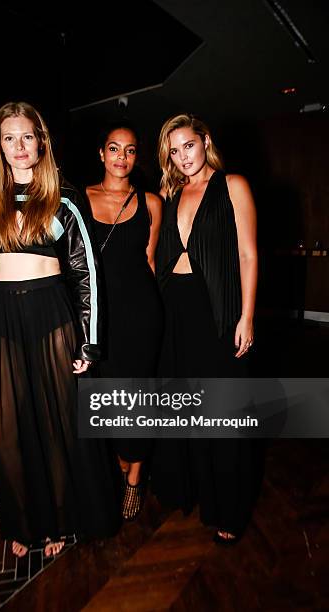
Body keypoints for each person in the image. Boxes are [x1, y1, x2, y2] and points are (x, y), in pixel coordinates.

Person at [0, 101, 120, 558]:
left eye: (27, 136)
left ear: (41, 142)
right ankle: (23, 522)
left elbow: (87, 274)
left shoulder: (64, 202)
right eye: (9, 138)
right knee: (6, 431)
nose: (19, 146)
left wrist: (90, 338)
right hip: (0, 321)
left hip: (53, 317)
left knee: (55, 426)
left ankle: (60, 522)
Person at [152, 113, 258, 543]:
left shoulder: (233, 186)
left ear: (205, 140)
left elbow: (249, 256)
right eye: (173, 152)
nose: (182, 157)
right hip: (173, 310)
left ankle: (229, 510)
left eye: (188, 146)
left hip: (216, 310)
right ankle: (194, 492)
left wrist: (246, 316)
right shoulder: (169, 192)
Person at [86, 121, 163, 520]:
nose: (121, 157)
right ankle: (118, 467)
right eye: (114, 149)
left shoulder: (151, 202)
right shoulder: (79, 200)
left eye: (130, 150)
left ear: (137, 157)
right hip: (99, 320)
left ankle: (134, 477)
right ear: (101, 153)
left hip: (141, 317)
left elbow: (150, 263)